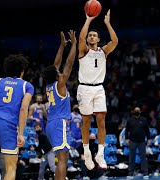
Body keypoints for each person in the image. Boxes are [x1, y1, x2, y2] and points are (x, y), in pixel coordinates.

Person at [77, 9, 118, 170]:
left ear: (99, 39)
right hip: (85, 89)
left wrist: (107, 24)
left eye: (94, 35)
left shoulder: (103, 51)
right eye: (90, 35)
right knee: (86, 122)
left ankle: (100, 153)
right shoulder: (83, 50)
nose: (91, 37)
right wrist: (88, 20)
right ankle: (87, 152)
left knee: (101, 121)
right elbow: (81, 38)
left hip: (99, 89)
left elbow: (115, 41)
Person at [43, 30, 76, 180]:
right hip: (59, 123)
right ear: (57, 76)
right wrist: (74, 45)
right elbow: (68, 64)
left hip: (51, 124)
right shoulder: (60, 85)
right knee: (62, 160)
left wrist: (62, 46)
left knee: (62, 159)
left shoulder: (49, 85)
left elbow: (55, 65)